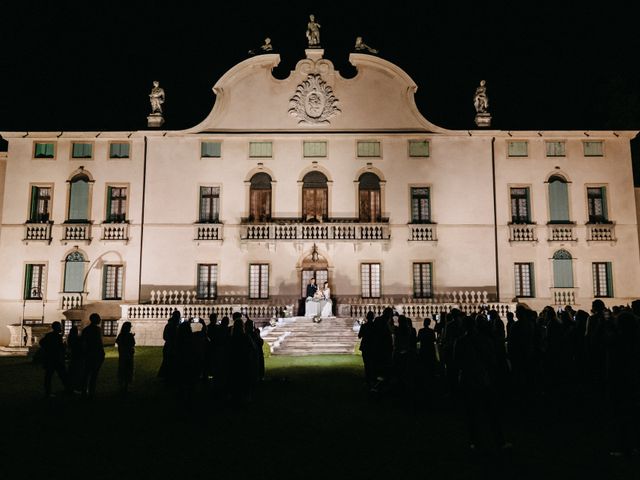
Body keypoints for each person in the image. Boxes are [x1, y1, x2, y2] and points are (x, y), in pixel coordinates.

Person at [39, 321, 70, 397]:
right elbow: (59, 348)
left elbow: (42, 343)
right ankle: (67, 389)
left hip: (53, 359)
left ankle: (49, 392)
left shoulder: (50, 335)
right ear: (56, 327)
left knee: (53, 376)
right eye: (60, 327)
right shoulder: (55, 336)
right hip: (55, 359)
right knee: (60, 375)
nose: (61, 328)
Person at [81, 313, 105, 400]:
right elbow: (99, 343)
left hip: (88, 354)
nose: (100, 320)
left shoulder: (86, 330)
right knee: (93, 374)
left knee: (86, 374)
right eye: (99, 318)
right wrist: (102, 353)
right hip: (94, 354)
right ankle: (91, 392)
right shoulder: (97, 330)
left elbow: (83, 342)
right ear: (95, 320)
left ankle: (84, 391)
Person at [115, 321, 135, 394]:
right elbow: (132, 343)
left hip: (122, 355)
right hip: (128, 355)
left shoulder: (121, 335)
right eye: (129, 327)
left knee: (122, 370)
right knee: (128, 370)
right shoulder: (129, 335)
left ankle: (122, 386)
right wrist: (132, 337)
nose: (130, 328)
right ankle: (125, 387)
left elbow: (118, 342)